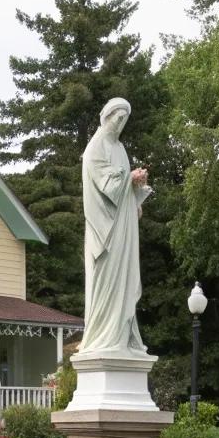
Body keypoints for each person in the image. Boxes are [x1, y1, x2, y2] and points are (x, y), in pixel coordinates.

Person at [77, 97, 151, 358]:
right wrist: (127, 179)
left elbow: (122, 190)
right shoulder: (95, 147)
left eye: (125, 119)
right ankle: (102, 337)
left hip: (122, 228)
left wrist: (135, 187)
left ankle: (122, 335)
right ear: (106, 117)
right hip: (105, 232)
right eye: (117, 118)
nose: (121, 123)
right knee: (106, 281)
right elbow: (106, 188)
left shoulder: (119, 148)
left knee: (125, 279)